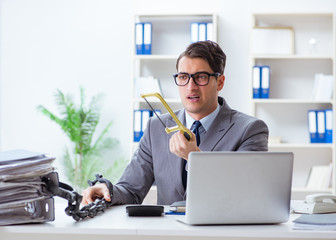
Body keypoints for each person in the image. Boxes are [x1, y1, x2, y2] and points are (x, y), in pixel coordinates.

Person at [81, 40, 268, 206]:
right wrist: (107, 190)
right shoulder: (156, 127)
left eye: (201, 77)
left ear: (219, 82)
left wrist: (195, 157)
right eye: (183, 77)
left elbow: (245, 193)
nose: (190, 86)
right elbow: (131, 190)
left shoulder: (250, 130)